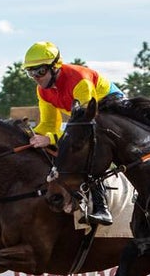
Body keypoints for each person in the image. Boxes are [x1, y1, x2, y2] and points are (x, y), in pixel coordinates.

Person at [23, 41, 123, 225]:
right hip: (83, 118)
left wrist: (50, 138)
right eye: (31, 72)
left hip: (108, 106)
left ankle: (102, 207)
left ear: (55, 67)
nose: (36, 77)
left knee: (87, 149)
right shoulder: (43, 91)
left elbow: (86, 127)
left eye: (40, 71)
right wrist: (27, 136)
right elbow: (48, 123)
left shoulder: (80, 81)